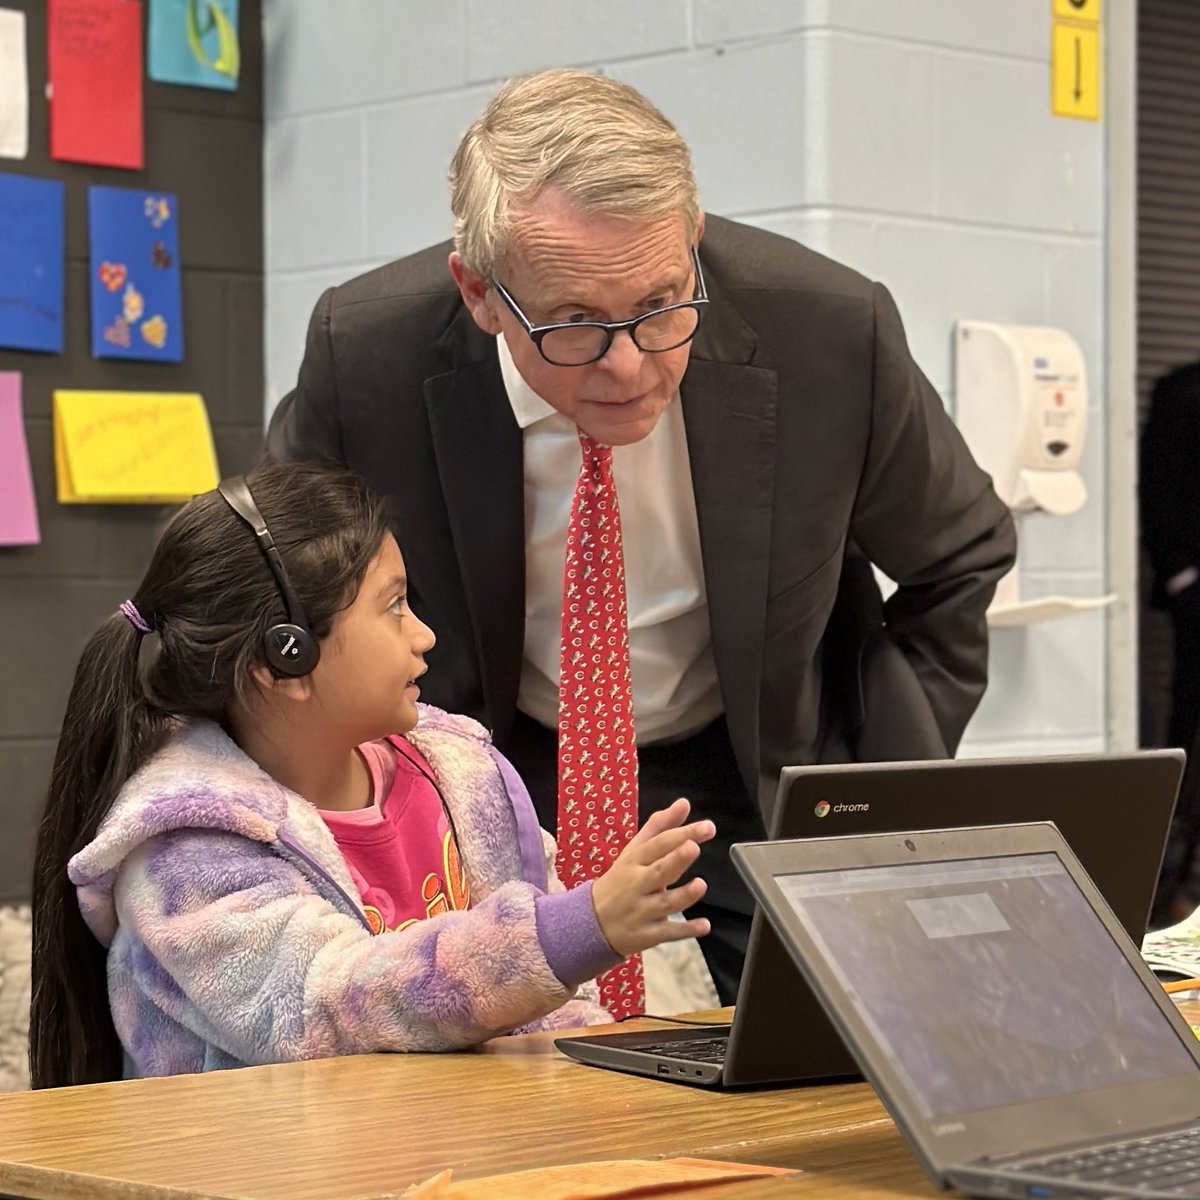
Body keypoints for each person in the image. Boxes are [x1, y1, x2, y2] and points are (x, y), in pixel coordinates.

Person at [267, 69, 1017, 1003]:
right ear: (479, 292)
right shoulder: (365, 353)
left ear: (692, 241)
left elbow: (961, 556)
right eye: (575, 325)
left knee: (836, 1059)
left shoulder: (828, 329)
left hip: (749, 760)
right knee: (497, 1075)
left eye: (664, 305)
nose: (629, 366)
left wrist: (881, 782)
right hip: (496, 760)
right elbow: (274, 596)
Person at [28, 461, 714, 1088]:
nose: (424, 635)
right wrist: (571, 931)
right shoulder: (187, 857)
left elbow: (551, 1019)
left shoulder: (463, 778)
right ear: (283, 658)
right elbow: (333, 1002)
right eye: (393, 606)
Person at [1141, 358, 1200, 920]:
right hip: (1197, 595)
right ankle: (1173, 880)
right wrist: (1181, 577)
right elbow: (1156, 487)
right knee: (1191, 725)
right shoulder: (1183, 389)